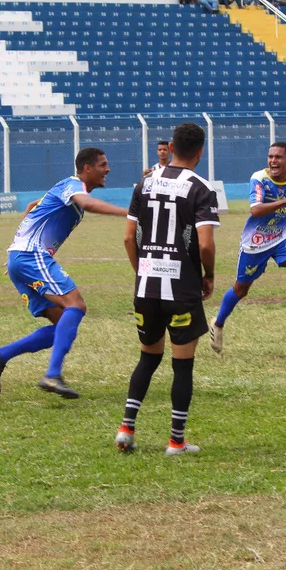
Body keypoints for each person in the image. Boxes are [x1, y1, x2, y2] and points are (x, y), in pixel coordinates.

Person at [0, 147, 128, 399]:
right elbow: (87, 203)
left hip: (23, 257)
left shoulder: (65, 189)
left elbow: (31, 206)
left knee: (62, 325)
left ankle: (0, 355)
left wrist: (17, 248)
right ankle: (52, 375)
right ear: (86, 169)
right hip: (30, 257)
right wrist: (128, 213)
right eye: (103, 164)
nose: (108, 169)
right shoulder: (73, 186)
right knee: (76, 305)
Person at [115, 122, 219, 456]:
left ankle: (126, 428)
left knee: (148, 357)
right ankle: (176, 441)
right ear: (200, 153)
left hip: (146, 286)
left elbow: (129, 237)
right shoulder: (201, 188)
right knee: (182, 364)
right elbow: (205, 244)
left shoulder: (143, 183)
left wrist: (141, 271)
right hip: (181, 288)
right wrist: (209, 275)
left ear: (170, 148)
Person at [209, 142, 286, 353]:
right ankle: (217, 323)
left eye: (278, 157)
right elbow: (255, 210)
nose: (273, 161)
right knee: (241, 290)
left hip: (282, 237)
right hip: (255, 242)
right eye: (270, 156)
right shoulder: (259, 179)